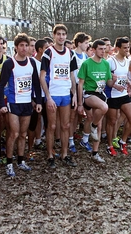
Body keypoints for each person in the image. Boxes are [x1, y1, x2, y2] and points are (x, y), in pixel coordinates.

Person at [0, 33, 42, 177]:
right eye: (21, 45)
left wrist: (39, 102)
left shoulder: (32, 62)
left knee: (23, 134)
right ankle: (9, 163)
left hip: (27, 103)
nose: (24, 48)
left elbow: (36, 83)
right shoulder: (9, 63)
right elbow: (1, 85)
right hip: (13, 103)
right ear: (16, 47)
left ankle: (21, 161)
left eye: (26, 45)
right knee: (14, 133)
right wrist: (2, 104)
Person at [40, 24, 78, 168]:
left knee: (66, 125)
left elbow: (72, 75)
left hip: (65, 95)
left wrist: (74, 94)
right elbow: (42, 76)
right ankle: (50, 155)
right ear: (54, 35)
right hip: (53, 94)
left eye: (63, 34)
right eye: (58, 34)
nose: (61, 37)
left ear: (66, 36)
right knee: (52, 126)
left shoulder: (70, 53)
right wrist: (48, 97)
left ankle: (64, 154)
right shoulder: (48, 53)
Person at [77, 39, 114, 162]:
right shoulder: (86, 63)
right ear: (93, 50)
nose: (103, 51)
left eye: (104, 49)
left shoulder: (106, 64)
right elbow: (80, 83)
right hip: (89, 94)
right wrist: (79, 103)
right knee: (104, 108)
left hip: (100, 94)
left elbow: (108, 82)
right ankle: (91, 127)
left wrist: (114, 81)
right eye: (100, 49)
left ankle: (95, 152)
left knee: (99, 125)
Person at [105, 37, 131, 156]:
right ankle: (109, 145)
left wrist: (128, 82)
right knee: (112, 121)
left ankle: (123, 141)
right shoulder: (110, 61)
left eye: (128, 47)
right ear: (118, 48)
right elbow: (106, 79)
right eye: (124, 48)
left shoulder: (128, 61)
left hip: (124, 94)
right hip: (112, 96)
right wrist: (115, 85)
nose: (127, 50)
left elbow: (123, 76)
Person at [70, 32, 91, 153]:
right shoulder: (71, 54)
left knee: (83, 114)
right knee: (72, 115)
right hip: (74, 86)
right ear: (79, 43)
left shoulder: (85, 56)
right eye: (86, 43)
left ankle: (83, 138)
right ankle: (70, 140)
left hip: (84, 87)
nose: (87, 45)